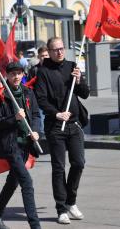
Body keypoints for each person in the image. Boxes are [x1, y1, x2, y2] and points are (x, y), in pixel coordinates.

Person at [34, 37, 90, 225]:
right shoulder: (43, 72)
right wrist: (56, 113)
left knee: (79, 163)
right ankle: (61, 209)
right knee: (58, 168)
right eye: (55, 49)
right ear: (48, 52)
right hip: (56, 126)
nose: (59, 52)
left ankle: (70, 201)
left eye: (61, 48)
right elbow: (41, 99)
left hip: (74, 125)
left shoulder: (72, 66)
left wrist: (79, 80)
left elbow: (85, 93)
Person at [0, 62, 41, 229]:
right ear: (7, 76)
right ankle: (35, 225)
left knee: (13, 182)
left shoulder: (28, 92)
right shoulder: (1, 95)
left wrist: (35, 131)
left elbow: (35, 115)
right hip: (11, 146)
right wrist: (15, 118)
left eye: (19, 73)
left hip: (26, 144)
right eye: (13, 74)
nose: (16, 77)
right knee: (27, 182)